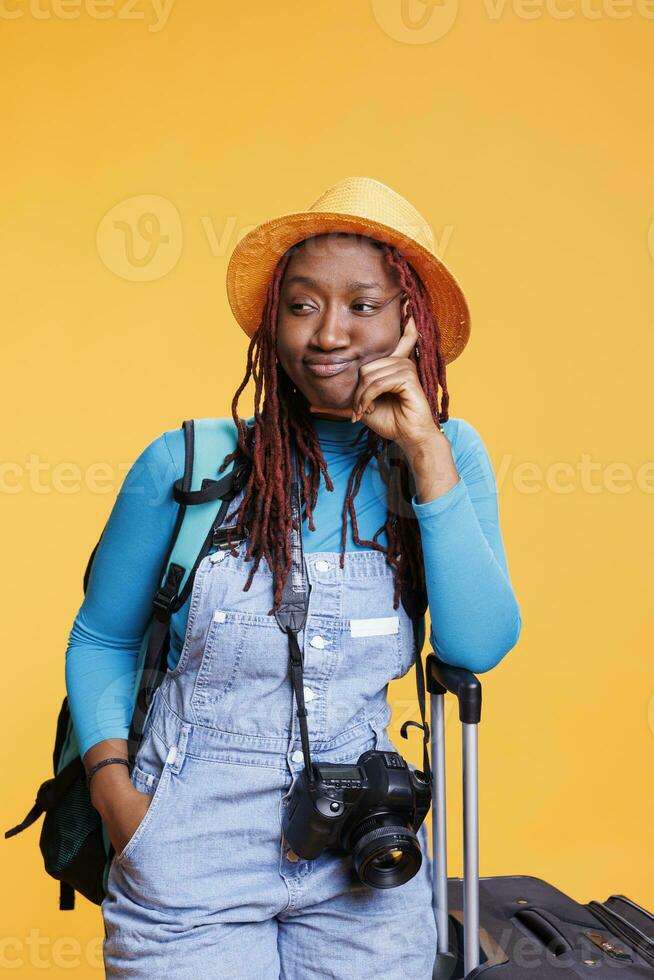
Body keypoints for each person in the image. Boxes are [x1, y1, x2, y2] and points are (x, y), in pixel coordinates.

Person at [65, 176, 522, 978]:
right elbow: (102, 635)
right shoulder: (187, 464)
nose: (328, 334)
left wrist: (426, 456)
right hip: (186, 846)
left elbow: (476, 645)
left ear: (411, 321)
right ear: (272, 326)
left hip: (364, 854)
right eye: (303, 305)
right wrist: (118, 801)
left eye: (363, 305)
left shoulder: (447, 460)